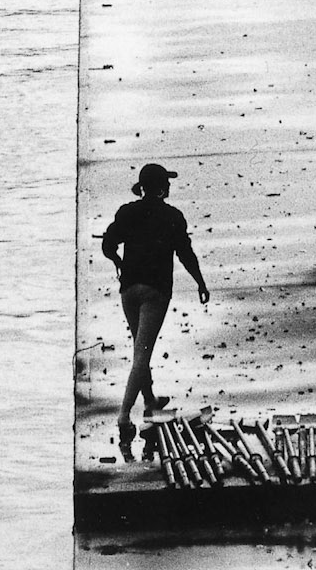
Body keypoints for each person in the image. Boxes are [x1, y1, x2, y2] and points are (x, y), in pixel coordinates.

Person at [100, 162, 209, 450]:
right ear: (161, 187)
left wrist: (119, 263)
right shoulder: (172, 217)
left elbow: (108, 244)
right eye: (167, 184)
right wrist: (200, 282)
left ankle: (149, 401)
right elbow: (185, 253)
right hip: (155, 291)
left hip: (129, 290)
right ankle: (124, 417)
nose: (170, 187)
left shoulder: (127, 212)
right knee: (142, 354)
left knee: (139, 346)